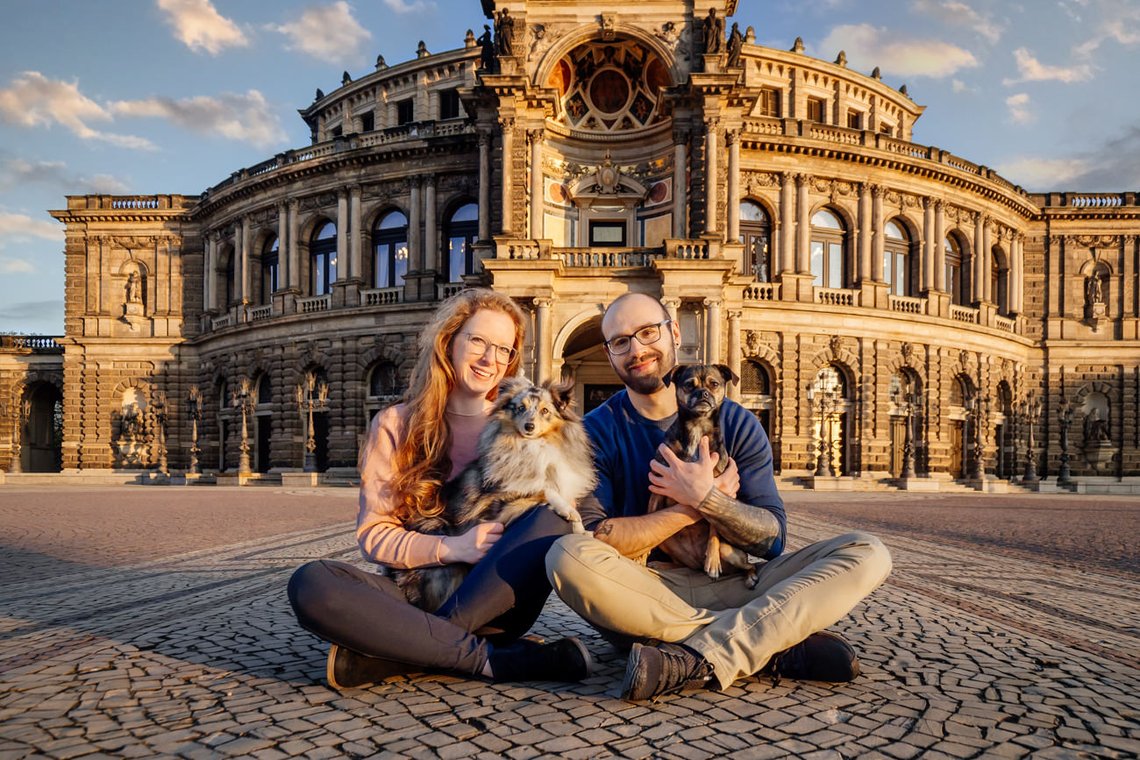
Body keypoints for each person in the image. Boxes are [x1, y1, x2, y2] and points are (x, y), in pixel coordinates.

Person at [545, 292, 892, 700]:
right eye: (621, 341)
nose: (637, 349)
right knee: (565, 555)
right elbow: (597, 538)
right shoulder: (594, 431)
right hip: (646, 589)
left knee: (868, 552)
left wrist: (714, 500)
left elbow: (772, 540)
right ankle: (767, 640)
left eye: (647, 332)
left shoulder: (739, 424)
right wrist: (693, 505)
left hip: (736, 580)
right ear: (609, 352)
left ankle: (692, 653)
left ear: (674, 332)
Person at [288, 288, 592, 688]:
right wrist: (453, 548)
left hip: (495, 598)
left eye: (503, 349)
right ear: (449, 341)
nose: (490, 359)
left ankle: (406, 651)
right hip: (417, 592)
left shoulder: (521, 422)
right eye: (478, 341)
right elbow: (374, 535)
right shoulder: (396, 424)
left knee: (554, 516)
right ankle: (484, 659)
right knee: (311, 583)